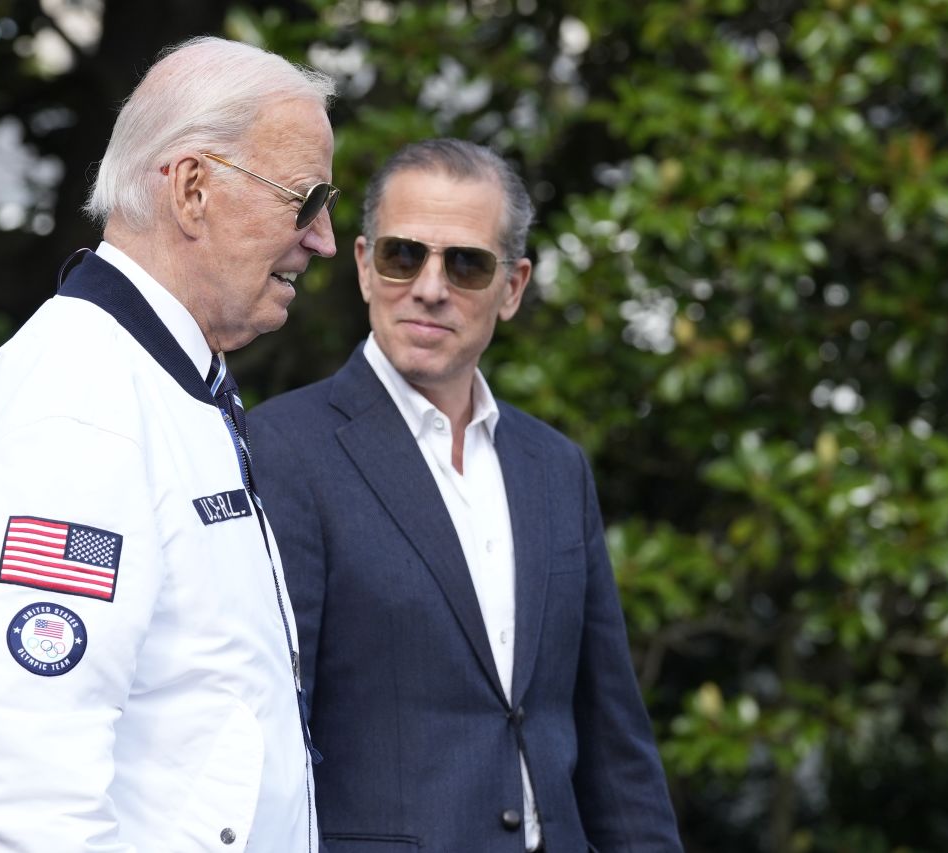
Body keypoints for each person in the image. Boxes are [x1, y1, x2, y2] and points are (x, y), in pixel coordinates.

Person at [0, 36, 339, 852]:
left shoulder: (157, 380)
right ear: (191, 189)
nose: (320, 238)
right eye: (305, 198)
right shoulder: (84, 403)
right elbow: (15, 769)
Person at [249, 138, 683, 852]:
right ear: (362, 265)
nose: (429, 285)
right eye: (402, 255)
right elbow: (265, 726)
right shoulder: (283, 449)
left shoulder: (555, 467)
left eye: (466, 263)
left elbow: (613, 736)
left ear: (511, 287)